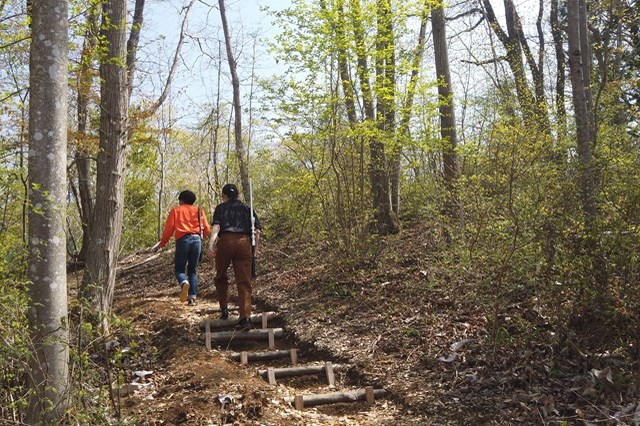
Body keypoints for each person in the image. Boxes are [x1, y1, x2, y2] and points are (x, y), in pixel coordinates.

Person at [208, 183, 261, 331]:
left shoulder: (221, 208)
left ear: (224, 196)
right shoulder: (247, 208)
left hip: (225, 242)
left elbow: (217, 227)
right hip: (244, 243)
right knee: (244, 282)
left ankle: (224, 309)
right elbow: (257, 231)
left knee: (220, 276)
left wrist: (211, 244)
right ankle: (245, 319)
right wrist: (255, 251)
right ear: (237, 195)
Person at [153, 190, 211, 305]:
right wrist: (201, 238)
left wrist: (162, 244)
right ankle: (192, 297)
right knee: (193, 271)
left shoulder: (176, 211)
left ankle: (184, 283)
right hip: (197, 240)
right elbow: (207, 228)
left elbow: (168, 230)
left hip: (183, 240)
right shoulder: (199, 211)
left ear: (181, 200)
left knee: (179, 269)